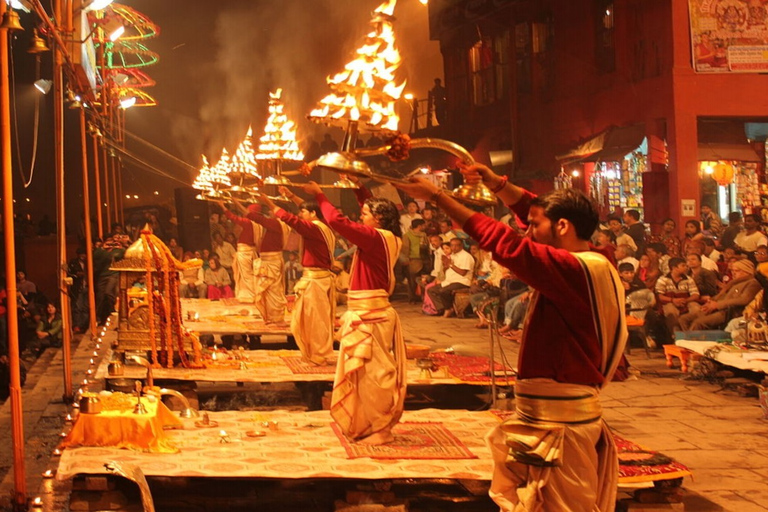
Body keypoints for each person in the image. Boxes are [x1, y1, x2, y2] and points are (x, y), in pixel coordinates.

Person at [394, 164, 626, 511]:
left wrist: (438, 196)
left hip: (562, 424)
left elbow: (503, 243)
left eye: (533, 226)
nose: (526, 230)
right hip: (551, 415)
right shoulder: (589, 256)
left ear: (562, 227)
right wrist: (497, 183)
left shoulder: (574, 268)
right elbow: (540, 211)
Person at [302, 180, 405, 445]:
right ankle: (368, 424)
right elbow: (366, 207)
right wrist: (358, 187)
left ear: (379, 218)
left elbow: (338, 221)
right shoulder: (387, 236)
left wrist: (320, 194)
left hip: (372, 315)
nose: (362, 217)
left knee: (373, 375)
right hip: (368, 311)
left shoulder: (374, 238)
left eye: (366, 215)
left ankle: (381, 428)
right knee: (364, 374)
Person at [270, 186, 336, 365]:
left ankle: (317, 355)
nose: (301, 215)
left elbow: (293, 221)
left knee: (313, 320)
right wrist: (291, 195)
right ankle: (313, 353)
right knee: (306, 319)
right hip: (315, 279)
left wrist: (270, 204)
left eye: (304, 212)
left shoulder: (314, 228)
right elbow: (306, 210)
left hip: (316, 281)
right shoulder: (323, 225)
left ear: (313, 214)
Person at [243, 202, 291, 325]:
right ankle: (271, 317)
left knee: (273, 290)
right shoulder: (278, 224)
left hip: (272, 261)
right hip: (269, 260)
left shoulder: (277, 224)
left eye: (273, 210)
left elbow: (258, 219)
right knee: (269, 290)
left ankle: (276, 318)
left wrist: (241, 205)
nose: (270, 212)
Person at [679, 259, 760, 331]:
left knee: (698, 323)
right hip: (717, 308)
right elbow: (721, 296)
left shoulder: (752, 283)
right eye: (732, 271)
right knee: (684, 319)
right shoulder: (733, 283)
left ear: (746, 271)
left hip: (728, 312)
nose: (733, 273)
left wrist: (717, 305)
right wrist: (710, 302)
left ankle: (690, 343)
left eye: (737, 271)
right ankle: (683, 341)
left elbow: (743, 300)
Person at [218, 201, 261, 303]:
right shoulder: (258, 224)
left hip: (245, 253)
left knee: (247, 276)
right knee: (247, 275)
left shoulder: (249, 223)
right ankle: (248, 295)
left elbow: (233, 217)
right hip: (250, 252)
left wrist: (223, 206)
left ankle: (249, 296)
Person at [426, 237, 474, 317]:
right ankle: (444, 308)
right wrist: (445, 267)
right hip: (449, 281)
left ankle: (448, 309)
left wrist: (450, 265)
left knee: (443, 291)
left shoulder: (466, 256)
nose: (453, 248)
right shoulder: (452, 255)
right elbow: (446, 270)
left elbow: (463, 273)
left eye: (456, 246)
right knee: (431, 290)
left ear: (461, 246)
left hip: (461, 281)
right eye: (452, 245)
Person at [654, 257, 700, 340]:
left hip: (686, 301)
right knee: (671, 312)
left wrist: (685, 300)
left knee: (696, 309)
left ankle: (691, 334)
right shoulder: (663, 279)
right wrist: (673, 300)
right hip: (669, 301)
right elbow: (660, 296)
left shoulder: (689, 279)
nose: (686, 267)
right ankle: (676, 335)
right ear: (674, 268)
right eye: (683, 266)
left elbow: (695, 294)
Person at [401, 219, 428, 303]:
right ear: (419, 226)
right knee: (412, 280)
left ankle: (423, 297)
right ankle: (412, 298)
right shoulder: (407, 235)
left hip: (423, 259)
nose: (425, 227)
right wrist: (406, 260)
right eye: (423, 225)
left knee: (423, 279)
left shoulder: (424, 235)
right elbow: (405, 249)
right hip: (413, 260)